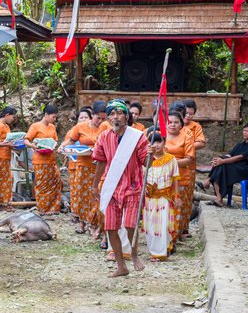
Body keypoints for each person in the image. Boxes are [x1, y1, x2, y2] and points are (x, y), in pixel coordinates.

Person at [90, 100, 148, 277]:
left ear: (126, 116)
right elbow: (100, 162)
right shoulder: (104, 137)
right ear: (107, 118)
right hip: (111, 186)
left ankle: (134, 253)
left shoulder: (137, 137)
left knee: (130, 225)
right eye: (112, 114)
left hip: (132, 186)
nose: (116, 117)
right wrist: (94, 186)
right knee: (111, 227)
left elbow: (146, 162)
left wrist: (152, 154)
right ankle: (121, 266)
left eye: (119, 113)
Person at [59, 102, 106, 234]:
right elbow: (71, 141)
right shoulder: (80, 127)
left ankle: (94, 223)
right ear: (93, 115)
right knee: (82, 194)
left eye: (103, 118)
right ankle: (82, 223)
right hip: (82, 164)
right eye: (98, 118)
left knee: (96, 194)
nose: (100, 121)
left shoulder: (106, 127)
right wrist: (62, 146)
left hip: (99, 165)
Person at [142, 131, 180, 261]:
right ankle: (153, 251)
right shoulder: (145, 159)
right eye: (152, 142)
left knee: (162, 225)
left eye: (159, 141)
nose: (156, 145)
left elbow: (175, 178)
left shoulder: (171, 159)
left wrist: (176, 196)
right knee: (150, 225)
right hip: (149, 199)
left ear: (164, 142)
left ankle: (161, 253)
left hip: (164, 198)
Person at [206, 123, 248, 207]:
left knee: (222, 165)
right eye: (243, 131)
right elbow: (230, 155)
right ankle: (218, 198)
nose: (244, 133)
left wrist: (222, 161)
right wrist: (219, 159)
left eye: (247, 131)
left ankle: (209, 181)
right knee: (219, 163)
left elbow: (240, 157)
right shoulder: (239, 145)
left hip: (245, 171)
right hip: (234, 168)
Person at [164, 109, 195, 241]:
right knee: (163, 207)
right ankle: (163, 234)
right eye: (170, 122)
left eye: (176, 122)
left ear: (181, 124)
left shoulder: (187, 137)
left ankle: (174, 236)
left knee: (177, 207)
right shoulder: (160, 136)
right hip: (162, 178)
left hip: (181, 177)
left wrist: (170, 162)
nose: (172, 124)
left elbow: (189, 159)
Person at [24, 105, 61, 215]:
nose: (54, 120)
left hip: (51, 159)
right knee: (42, 185)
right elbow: (26, 140)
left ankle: (53, 208)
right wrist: (33, 146)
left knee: (56, 181)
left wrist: (54, 146)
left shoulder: (52, 127)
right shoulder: (35, 126)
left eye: (55, 118)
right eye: (53, 117)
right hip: (39, 160)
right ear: (46, 115)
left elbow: (55, 140)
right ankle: (42, 209)